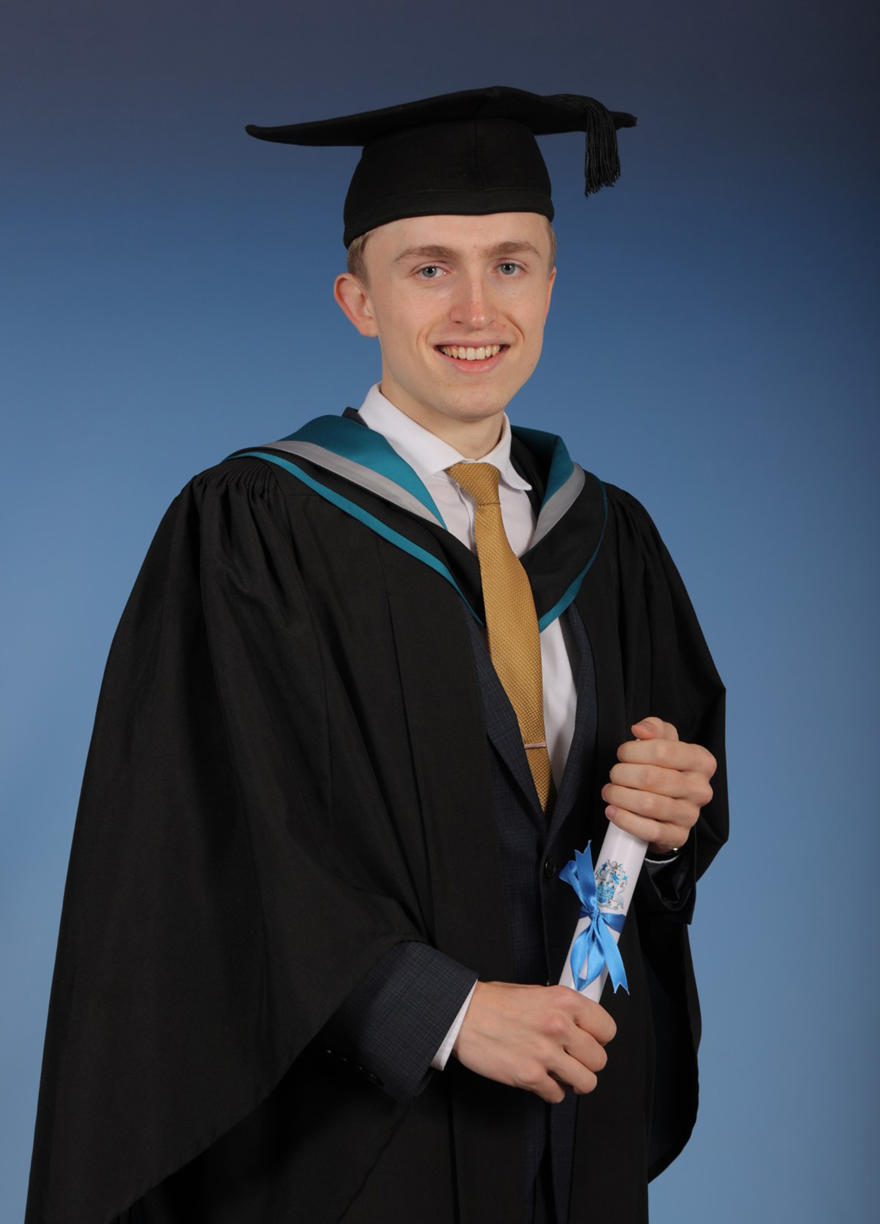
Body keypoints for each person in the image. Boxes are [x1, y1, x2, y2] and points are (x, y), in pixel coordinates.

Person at [25, 87, 727, 1224]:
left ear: (551, 287)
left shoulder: (612, 538)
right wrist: (442, 1012)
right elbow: (214, 842)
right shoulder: (253, 525)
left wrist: (677, 803)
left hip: (571, 1123)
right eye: (427, 267)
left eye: (509, 264)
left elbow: (650, 813)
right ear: (358, 298)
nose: (473, 305)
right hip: (351, 1146)